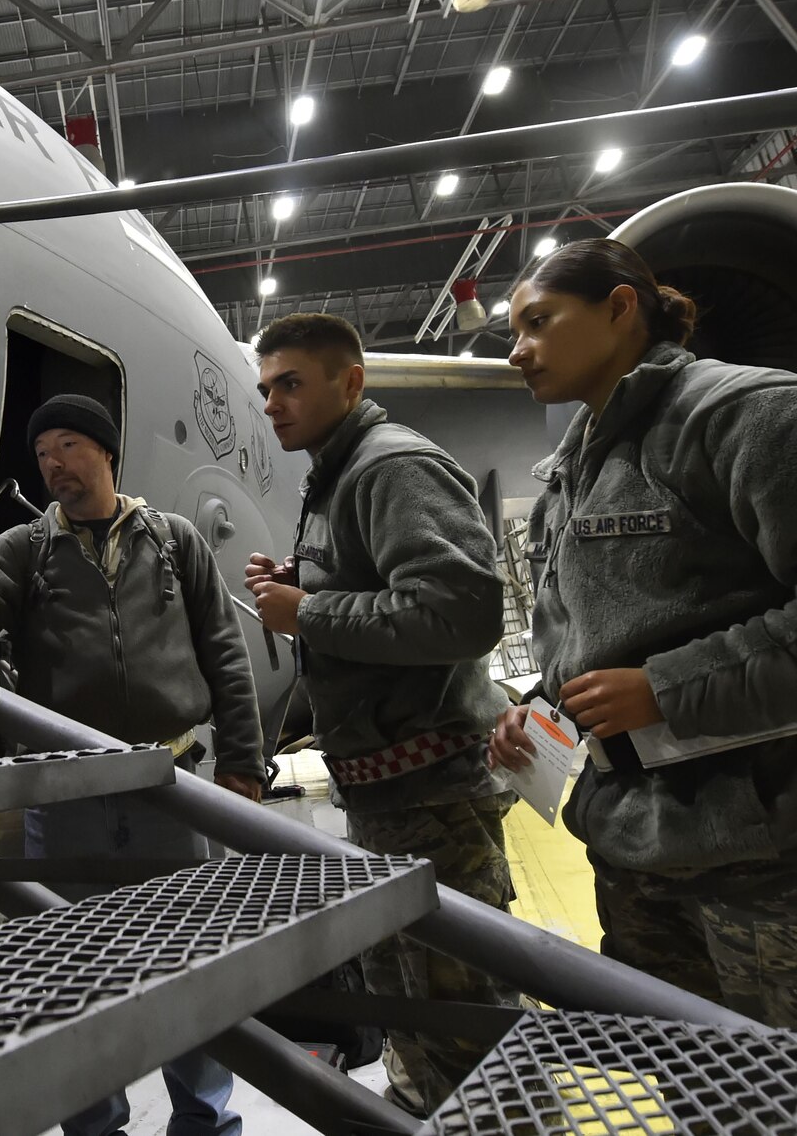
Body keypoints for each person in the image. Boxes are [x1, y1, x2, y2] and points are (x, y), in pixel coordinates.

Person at [487, 238, 797, 1106]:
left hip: (788, 863)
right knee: (712, 1103)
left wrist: (666, 688)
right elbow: (594, 647)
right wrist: (540, 712)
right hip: (641, 867)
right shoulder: (570, 478)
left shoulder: (753, 415)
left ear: (620, 307)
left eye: (537, 322)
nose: (515, 349)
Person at [0, 393, 262, 1136]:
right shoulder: (27, 546)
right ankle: (96, 1126)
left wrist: (245, 760)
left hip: (171, 786)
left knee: (189, 962)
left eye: (67, 446)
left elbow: (226, 648)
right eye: (43, 455)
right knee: (72, 975)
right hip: (66, 795)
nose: (54, 464)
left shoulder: (174, 539)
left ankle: (205, 1121)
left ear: (105, 451)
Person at [245, 312, 520, 1116]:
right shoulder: (336, 472)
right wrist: (306, 580)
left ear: (351, 381)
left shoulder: (390, 466)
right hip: (387, 796)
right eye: (265, 389)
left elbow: (462, 613)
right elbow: (380, 583)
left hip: (433, 790)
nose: (272, 404)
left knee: (466, 1019)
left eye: (290, 383)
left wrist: (311, 613)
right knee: (414, 1008)